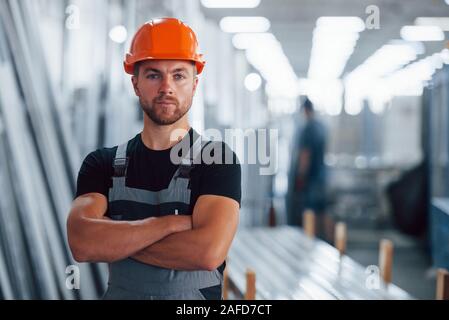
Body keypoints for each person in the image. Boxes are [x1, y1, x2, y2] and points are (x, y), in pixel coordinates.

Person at [66, 18, 241, 300]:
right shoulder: (101, 164)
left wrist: (115, 241)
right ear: (135, 84)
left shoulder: (217, 161)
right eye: (153, 75)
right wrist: (169, 225)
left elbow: (207, 252)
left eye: (179, 75)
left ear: (195, 84)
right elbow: (82, 244)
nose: (166, 87)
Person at [287, 98, 331, 240]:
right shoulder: (321, 127)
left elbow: (305, 155)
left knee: (309, 213)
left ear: (305, 110)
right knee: (322, 211)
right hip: (321, 177)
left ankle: (311, 241)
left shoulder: (307, 129)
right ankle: (325, 241)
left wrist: (300, 176)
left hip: (311, 180)